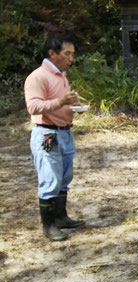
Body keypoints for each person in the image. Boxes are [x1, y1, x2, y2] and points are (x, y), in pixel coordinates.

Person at [25, 35, 86, 241]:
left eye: (73, 54)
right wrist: (61, 101)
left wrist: (74, 107)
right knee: (50, 178)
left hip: (65, 132)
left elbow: (60, 104)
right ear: (52, 54)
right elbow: (33, 107)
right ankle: (48, 225)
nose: (71, 58)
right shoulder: (37, 77)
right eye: (67, 54)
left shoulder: (61, 75)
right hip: (47, 133)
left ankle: (61, 218)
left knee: (64, 177)